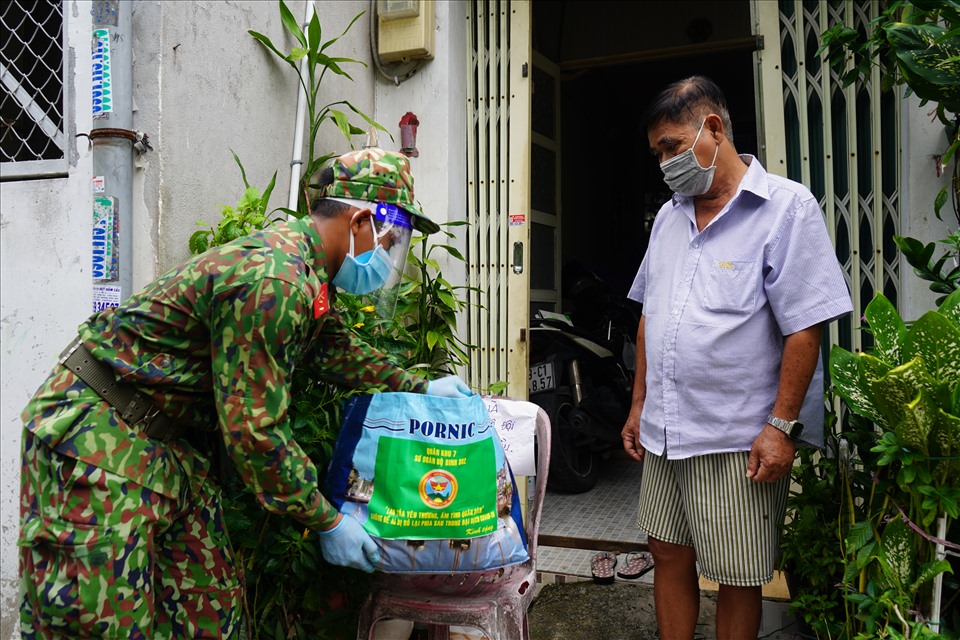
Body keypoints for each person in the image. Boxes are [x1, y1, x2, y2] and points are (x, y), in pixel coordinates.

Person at [18, 147, 473, 639]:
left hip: (162, 445)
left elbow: (332, 348)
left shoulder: (305, 271)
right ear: (360, 219)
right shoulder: (274, 278)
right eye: (389, 240)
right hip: (93, 439)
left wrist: (419, 385)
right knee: (96, 623)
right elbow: (256, 431)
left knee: (210, 614)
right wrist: (324, 520)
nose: (388, 258)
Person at [621, 77, 852, 639]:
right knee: (668, 555)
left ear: (714, 129)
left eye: (674, 147)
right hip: (665, 434)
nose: (666, 163)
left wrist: (780, 427)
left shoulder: (786, 209)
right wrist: (637, 405)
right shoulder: (669, 219)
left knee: (736, 576)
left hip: (735, 438)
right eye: (658, 153)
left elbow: (806, 327)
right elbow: (651, 314)